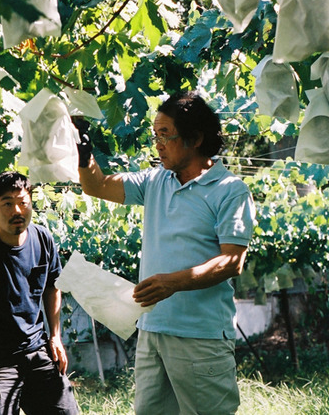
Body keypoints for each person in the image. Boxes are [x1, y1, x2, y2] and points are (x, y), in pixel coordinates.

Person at [74, 91, 255, 415]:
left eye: (165, 135)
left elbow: (232, 261)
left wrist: (173, 282)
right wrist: (81, 142)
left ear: (196, 137)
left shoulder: (230, 190)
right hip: (153, 330)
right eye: (155, 134)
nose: (157, 143)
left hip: (201, 337)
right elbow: (96, 185)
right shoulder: (156, 180)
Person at [0, 171, 79, 415]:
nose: (17, 211)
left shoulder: (43, 239)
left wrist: (55, 336)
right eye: (7, 204)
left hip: (36, 349)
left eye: (23, 203)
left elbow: (53, 286)